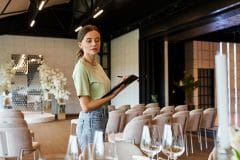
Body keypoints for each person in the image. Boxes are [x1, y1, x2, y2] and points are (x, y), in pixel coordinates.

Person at [72, 25, 125, 151]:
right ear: (80, 44)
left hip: (102, 115)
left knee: (98, 155)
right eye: (89, 40)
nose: (94, 44)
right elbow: (86, 106)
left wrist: (121, 85)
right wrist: (111, 96)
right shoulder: (81, 68)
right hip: (91, 119)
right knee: (92, 156)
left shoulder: (97, 65)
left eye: (97, 40)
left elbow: (103, 94)